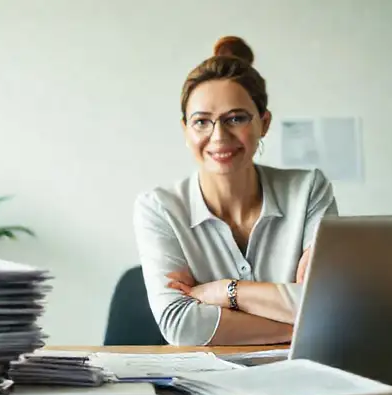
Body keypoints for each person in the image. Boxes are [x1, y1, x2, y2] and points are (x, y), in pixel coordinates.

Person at [132, 36, 338, 346]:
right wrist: (299, 327)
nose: (218, 136)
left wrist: (225, 291)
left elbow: (328, 304)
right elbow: (180, 325)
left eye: (236, 118)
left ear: (264, 123)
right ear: (185, 130)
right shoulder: (159, 208)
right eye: (202, 121)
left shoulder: (308, 190)